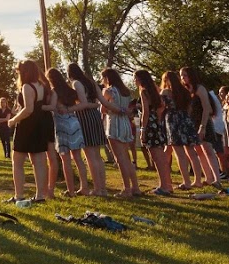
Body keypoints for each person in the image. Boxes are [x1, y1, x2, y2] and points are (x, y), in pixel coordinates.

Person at [7, 60, 52, 201]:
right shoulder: (42, 86)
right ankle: (40, 195)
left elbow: (28, 109)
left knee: (17, 161)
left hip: (27, 125)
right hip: (40, 124)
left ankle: (19, 195)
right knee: (38, 160)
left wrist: (13, 120)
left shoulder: (27, 87)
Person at [66, 63, 110, 198]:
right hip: (95, 116)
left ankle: (97, 188)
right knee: (97, 156)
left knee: (90, 156)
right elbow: (102, 101)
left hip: (84, 117)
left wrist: (68, 109)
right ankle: (102, 188)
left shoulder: (76, 83)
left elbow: (83, 103)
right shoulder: (91, 82)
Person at [179, 66, 224, 189]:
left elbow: (207, 108)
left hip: (203, 123)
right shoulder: (186, 90)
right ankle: (208, 178)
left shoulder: (200, 88)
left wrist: (202, 127)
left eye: (185, 75)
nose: (183, 78)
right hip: (191, 123)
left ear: (191, 76)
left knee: (208, 149)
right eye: (181, 75)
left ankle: (217, 179)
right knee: (198, 151)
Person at [48, 69, 91, 196]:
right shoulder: (70, 91)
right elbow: (81, 102)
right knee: (78, 158)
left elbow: (52, 106)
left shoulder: (55, 91)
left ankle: (71, 190)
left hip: (62, 124)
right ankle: (85, 187)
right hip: (74, 121)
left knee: (65, 159)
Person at [160, 71, 206, 188]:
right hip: (185, 120)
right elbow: (189, 108)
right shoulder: (185, 91)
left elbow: (161, 107)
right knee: (192, 153)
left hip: (173, 121)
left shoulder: (166, 92)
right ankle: (198, 180)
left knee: (179, 154)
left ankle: (186, 181)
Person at [133, 70, 175, 195]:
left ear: (140, 79)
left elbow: (145, 112)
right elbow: (162, 106)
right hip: (157, 123)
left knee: (157, 157)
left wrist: (143, 129)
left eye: (135, 78)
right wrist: (158, 117)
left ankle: (164, 186)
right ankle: (168, 184)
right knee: (161, 156)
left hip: (149, 125)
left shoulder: (144, 91)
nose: (134, 81)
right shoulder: (155, 89)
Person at [99, 69, 140, 198]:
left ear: (107, 78)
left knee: (120, 158)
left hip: (114, 124)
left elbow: (103, 109)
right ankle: (135, 187)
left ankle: (126, 189)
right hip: (126, 124)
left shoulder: (108, 91)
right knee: (126, 157)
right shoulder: (125, 91)